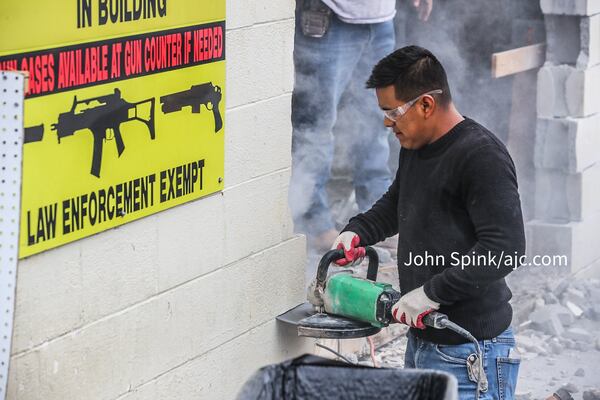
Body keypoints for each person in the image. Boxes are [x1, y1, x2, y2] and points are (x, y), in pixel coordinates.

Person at [332, 46, 525, 399]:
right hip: (424, 345)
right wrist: (357, 230)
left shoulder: (481, 156)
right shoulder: (416, 146)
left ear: (425, 104)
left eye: (392, 112)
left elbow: (505, 249)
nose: (387, 123)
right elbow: (397, 203)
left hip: (471, 350)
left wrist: (431, 294)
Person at [289, 0, 433, 250]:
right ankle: (314, 224)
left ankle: (378, 218)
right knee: (316, 125)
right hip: (328, 16)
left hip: (380, 18)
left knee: (376, 122)